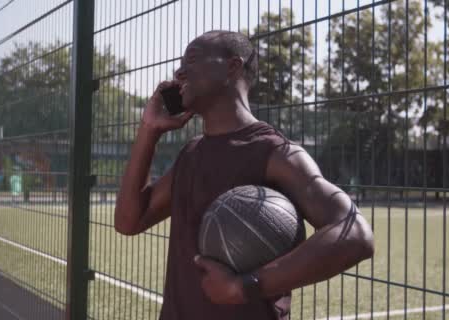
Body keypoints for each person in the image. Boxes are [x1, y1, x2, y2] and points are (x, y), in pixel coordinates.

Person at [114, 30, 374, 320]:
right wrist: (149, 130)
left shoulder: (277, 154)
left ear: (232, 67)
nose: (179, 71)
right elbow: (128, 221)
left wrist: (244, 286)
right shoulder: (190, 155)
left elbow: (356, 234)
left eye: (192, 60)